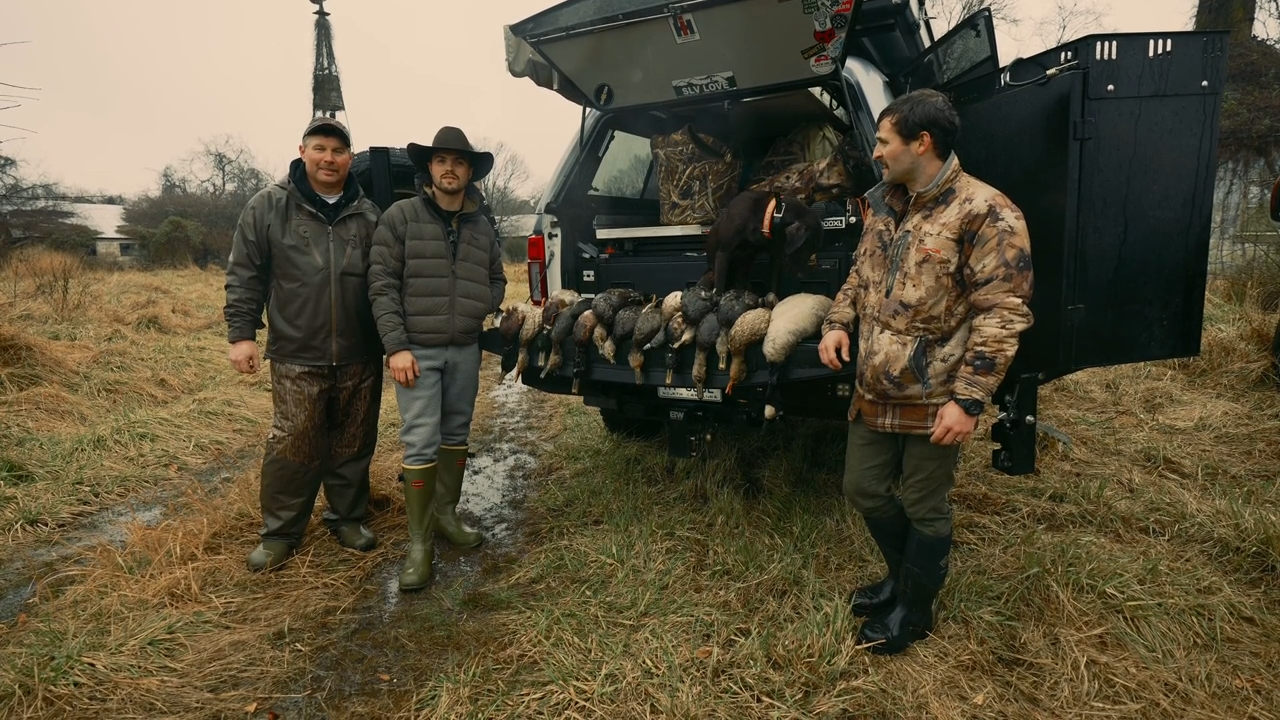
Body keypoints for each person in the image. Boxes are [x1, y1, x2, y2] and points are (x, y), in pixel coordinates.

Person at [818, 89, 1034, 655]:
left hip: (936, 393)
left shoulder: (986, 211)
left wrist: (968, 400)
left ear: (923, 142)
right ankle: (901, 576)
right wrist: (837, 323)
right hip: (874, 385)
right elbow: (859, 278)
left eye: (884, 141)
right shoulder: (885, 203)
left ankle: (914, 609)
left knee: (922, 503)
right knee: (863, 488)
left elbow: (1003, 313)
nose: (875, 152)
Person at [224, 116, 385, 572]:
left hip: (360, 352)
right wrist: (241, 334)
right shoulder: (269, 207)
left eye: (338, 151)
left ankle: (347, 517)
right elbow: (244, 273)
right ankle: (280, 532)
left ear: (350, 159)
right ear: (302, 152)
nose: (328, 158)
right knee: (293, 443)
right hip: (297, 352)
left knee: (353, 441)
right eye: (320, 149)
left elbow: (386, 283)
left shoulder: (367, 214)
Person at [367, 126, 507, 592]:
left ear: (469, 172)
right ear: (429, 168)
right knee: (421, 442)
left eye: (460, 161)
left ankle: (446, 515)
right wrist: (397, 346)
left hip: (465, 349)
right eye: (442, 160)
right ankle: (419, 543)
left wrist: (479, 306)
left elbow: (497, 278)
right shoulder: (400, 218)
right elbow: (381, 285)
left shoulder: (482, 225)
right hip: (417, 351)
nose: (450, 168)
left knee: (455, 436)